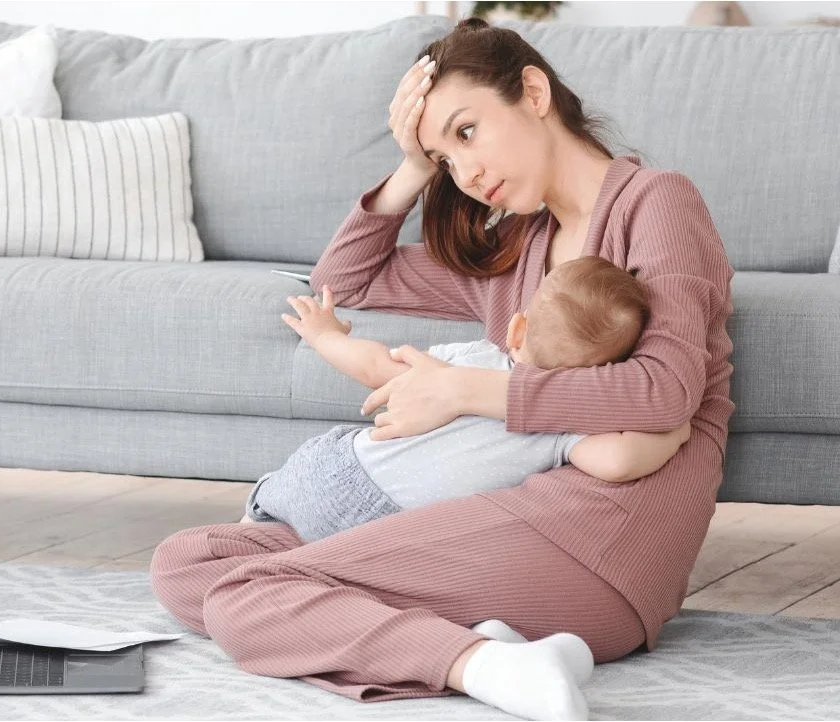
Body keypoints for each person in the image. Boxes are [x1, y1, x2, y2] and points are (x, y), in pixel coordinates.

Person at [149, 16, 734, 722]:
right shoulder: (514, 252)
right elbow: (344, 280)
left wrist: (462, 389)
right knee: (188, 564)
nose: (469, 174)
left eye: (467, 132)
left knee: (244, 599)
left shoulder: (656, 201)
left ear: (534, 93)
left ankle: (475, 663)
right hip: (500, 515)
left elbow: (665, 391)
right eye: (446, 160)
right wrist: (413, 167)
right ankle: (499, 652)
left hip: (602, 538)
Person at [239, 256, 693, 545]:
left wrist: (325, 336)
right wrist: (678, 428)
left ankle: (253, 523)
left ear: (517, 330)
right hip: (393, 530)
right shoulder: (566, 426)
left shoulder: (472, 360)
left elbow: (375, 367)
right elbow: (619, 461)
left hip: (334, 472)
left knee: (270, 511)